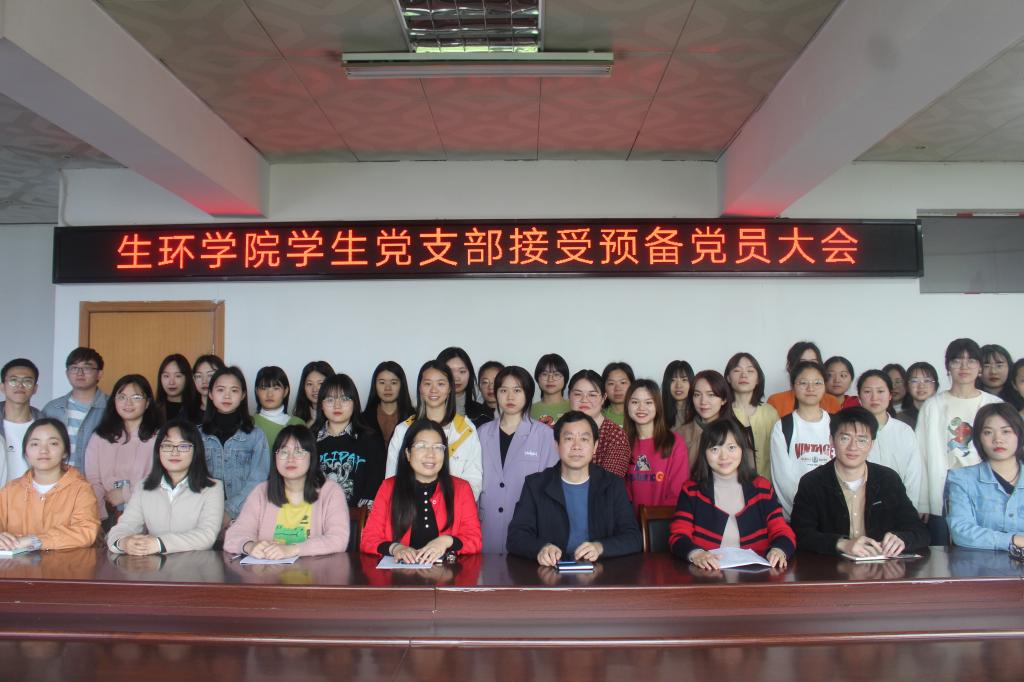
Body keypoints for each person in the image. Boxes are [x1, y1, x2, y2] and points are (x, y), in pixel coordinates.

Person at [506, 411, 642, 565]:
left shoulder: (612, 484)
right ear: (557, 445)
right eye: (569, 438)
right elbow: (515, 537)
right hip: (551, 571)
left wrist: (600, 547)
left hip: (600, 572)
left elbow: (633, 538)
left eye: (584, 439)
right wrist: (542, 548)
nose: (576, 446)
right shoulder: (535, 485)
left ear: (595, 446)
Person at [790, 407, 929, 557]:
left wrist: (903, 539)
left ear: (871, 444)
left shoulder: (888, 480)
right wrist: (842, 544)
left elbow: (920, 531)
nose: (853, 447)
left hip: (882, 567)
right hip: (831, 567)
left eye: (862, 440)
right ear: (831, 441)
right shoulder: (812, 483)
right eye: (845, 438)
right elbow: (801, 534)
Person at [669, 418, 794, 569]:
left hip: (756, 575)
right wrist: (696, 553)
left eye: (731, 447)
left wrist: (779, 549)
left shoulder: (762, 488)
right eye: (715, 449)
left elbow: (782, 531)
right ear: (704, 453)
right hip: (706, 573)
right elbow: (678, 535)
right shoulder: (691, 490)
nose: (724, 456)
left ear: (742, 449)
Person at [917, 338, 1003, 545]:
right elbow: (920, 456)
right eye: (957, 361)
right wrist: (923, 502)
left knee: (986, 548)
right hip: (944, 490)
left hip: (986, 491)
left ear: (980, 367)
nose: (964, 367)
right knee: (942, 553)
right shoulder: (932, 406)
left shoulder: (994, 404)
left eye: (971, 360)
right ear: (948, 366)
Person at [363, 419, 481, 561]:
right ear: (407, 453)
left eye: (437, 447)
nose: (430, 454)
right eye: (421, 446)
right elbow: (369, 539)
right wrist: (395, 548)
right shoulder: (388, 487)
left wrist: (446, 541)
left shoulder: (461, 489)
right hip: (399, 573)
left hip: (446, 572)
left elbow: (474, 540)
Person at [225, 425, 349, 558]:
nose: (290, 459)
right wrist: (250, 546)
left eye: (299, 452)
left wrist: (292, 549)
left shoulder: (331, 492)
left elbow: (338, 539)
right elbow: (233, 536)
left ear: (312, 457)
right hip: (267, 570)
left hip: (314, 570)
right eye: (283, 452)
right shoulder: (261, 492)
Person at [107, 420, 224, 554]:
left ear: (196, 451)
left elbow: (207, 536)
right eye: (167, 445)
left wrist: (159, 543)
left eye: (183, 446)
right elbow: (125, 526)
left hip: (196, 565)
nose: (174, 452)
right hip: (154, 565)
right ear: (158, 450)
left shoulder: (213, 488)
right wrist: (124, 543)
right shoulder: (143, 487)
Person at [478, 366, 558, 553]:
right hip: (486, 527)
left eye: (517, 390)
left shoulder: (545, 435)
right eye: (503, 390)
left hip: (529, 529)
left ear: (528, 394)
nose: (510, 397)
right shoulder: (481, 433)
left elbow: (550, 487)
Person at [386, 361, 483, 499]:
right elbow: (392, 479)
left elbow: (474, 480)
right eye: (427, 384)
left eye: (440, 384)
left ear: (450, 388)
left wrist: (452, 507)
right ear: (420, 388)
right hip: (410, 509)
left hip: (454, 509)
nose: (433, 390)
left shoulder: (466, 430)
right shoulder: (403, 430)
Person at [0, 418, 100, 551]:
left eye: (53, 443)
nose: (43, 450)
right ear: (26, 453)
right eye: (35, 444)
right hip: (16, 564)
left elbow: (86, 532)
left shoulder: (81, 489)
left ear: (65, 452)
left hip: (65, 563)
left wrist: (35, 541)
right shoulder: (10, 490)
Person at [946, 403, 1024, 556]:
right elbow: (961, 531)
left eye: (1006, 431)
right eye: (988, 432)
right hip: (979, 566)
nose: (998, 439)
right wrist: (1013, 540)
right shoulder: (962, 479)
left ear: (1019, 434)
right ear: (978, 438)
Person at [84, 374, 159, 524]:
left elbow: (159, 481)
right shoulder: (100, 436)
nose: (128, 403)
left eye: (136, 397)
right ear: (114, 401)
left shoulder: (159, 438)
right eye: (122, 397)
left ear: (147, 402)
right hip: (105, 514)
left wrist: (125, 494)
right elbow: (93, 480)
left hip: (146, 515)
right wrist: (99, 517)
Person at [199, 366, 270, 522]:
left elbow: (259, 480)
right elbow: (192, 479)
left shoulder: (256, 436)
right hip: (204, 516)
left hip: (245, 516)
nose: (227, 395)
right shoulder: (198, 435)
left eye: (234, 390)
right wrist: (212, 514)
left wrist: (230, 511)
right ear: (210, 394)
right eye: (220, 390)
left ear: (243, 395)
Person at [770, 360, 835, 516]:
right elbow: (783, 478)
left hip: (834, 511)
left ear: (825, 386)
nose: (810, 388)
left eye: (817, 383)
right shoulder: (783, 427)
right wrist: (805, 509)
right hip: (798, 512)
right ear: (793, 387)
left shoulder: (837, 424)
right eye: (803, 383)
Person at [314, 373, 386, 507]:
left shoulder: (371, 439)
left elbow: (375, 484)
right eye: (330, 399)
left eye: (344, 399)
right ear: (321, 405)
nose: (337, 405)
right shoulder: (310, 440)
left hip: (358, 516)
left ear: (354, 403)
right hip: (316, 515)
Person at [858, 370, 924, 511]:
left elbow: (913, 474)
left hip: (899, 506)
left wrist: (910, 508)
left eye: (880, 391)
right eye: (867, 391)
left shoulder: (904, 431)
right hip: (860, 506)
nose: (874, 397)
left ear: (890, 395)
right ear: (859, 397)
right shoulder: (853, 432)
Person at [623, 379, 689, 512]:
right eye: (635, 402)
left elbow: (677, 493)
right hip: (629, 522)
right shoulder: (622, 443)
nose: (641, 408)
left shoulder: (674, 442)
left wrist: (653, 521)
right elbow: (620, 494)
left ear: (658, 406)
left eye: (648, 402)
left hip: (664, 520)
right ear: (627, 406)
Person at [42, 347, 108, 471]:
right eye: (74, 368)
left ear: (99, 374)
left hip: (97, 480)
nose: (80, 373)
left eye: (87, 368)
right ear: (67, 373)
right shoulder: (52, 409)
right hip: (57, 479)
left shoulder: (112, 408)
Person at [725, 352, 779, 481]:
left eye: (750, 371)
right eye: (737, 370)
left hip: (766, 484)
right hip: (730, 484)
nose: (744, 375)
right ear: (728, 378)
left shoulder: (770, 412)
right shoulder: (721, 411)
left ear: (758, 379)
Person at [567, 369, 631, 478]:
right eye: (577, 394)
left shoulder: (616, 436)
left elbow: (609, 481)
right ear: (569, 396)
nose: (584, 400)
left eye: (592, 395)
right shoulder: (558, 430)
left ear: (603, 398)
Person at [766, 342, 843, 417]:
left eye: (813, 362)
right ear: (790, 367)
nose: (808, 366)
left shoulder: (832, 402)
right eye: (802, 362)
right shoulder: (776, 401)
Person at [1, 358, 42, 485]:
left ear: (35, 388)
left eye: (27, 381)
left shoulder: (44, 425)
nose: (20, 385)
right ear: (2, 386)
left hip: (34, 495)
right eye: (13, 380)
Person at [675, 370, 732, 457]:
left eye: (711, 395)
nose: (703, 402)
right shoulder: (680, 434)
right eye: (697, 395)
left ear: (724, 399)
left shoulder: (736, 431)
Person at [361, 361, 415, 452]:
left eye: (393, 383)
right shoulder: (362, 419)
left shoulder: (414, 418)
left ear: (401, 385)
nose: (387, 388)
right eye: (382, 383)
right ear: (375, 385)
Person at [252, 366, 305, 450]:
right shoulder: (248, 423)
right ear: (257, 391)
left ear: (285, 391)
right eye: (264, 388)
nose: (270, 394)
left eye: (276, 388)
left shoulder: (298, 423)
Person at [437, 346, 491, 428]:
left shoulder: (482, 414)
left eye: (462, 371)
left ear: (470, 374)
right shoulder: (428, 412)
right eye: (450, 371)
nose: (456, 378)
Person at [155, 354, 202, 423]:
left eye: (178, 376)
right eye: (166, 376)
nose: (171, 382)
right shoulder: (153, 410)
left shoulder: (198, 409)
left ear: (187, 378)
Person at [530, 353, 571, 426]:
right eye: (544, 374)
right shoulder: (529, 411)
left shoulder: (574, 407)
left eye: (556, 374)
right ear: (537, 378)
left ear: (565, 378)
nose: (550, 379)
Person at [897, 361, 939, 430]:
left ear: (936, 386)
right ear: (907, 387)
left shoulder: (944, 414)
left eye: (927, 381)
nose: (921, 386)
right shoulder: (900, 419)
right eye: (915, 381)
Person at [293, 360, 334, 427]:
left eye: (320, 383)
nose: (315, 389)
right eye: (309, 384)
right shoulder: (296, 421)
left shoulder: (339, 417)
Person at [662, 360, 695, 430]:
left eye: (684, 380)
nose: (678, 385)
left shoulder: (699, 411)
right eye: (673, 380)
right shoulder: (659, 413)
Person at [601, 362, 634, 427]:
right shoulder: (599, 416)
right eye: (611, 383)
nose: (617, 388)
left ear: (632, 385)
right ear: (604, 387)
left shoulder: (639, 414)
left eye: (623, 382)